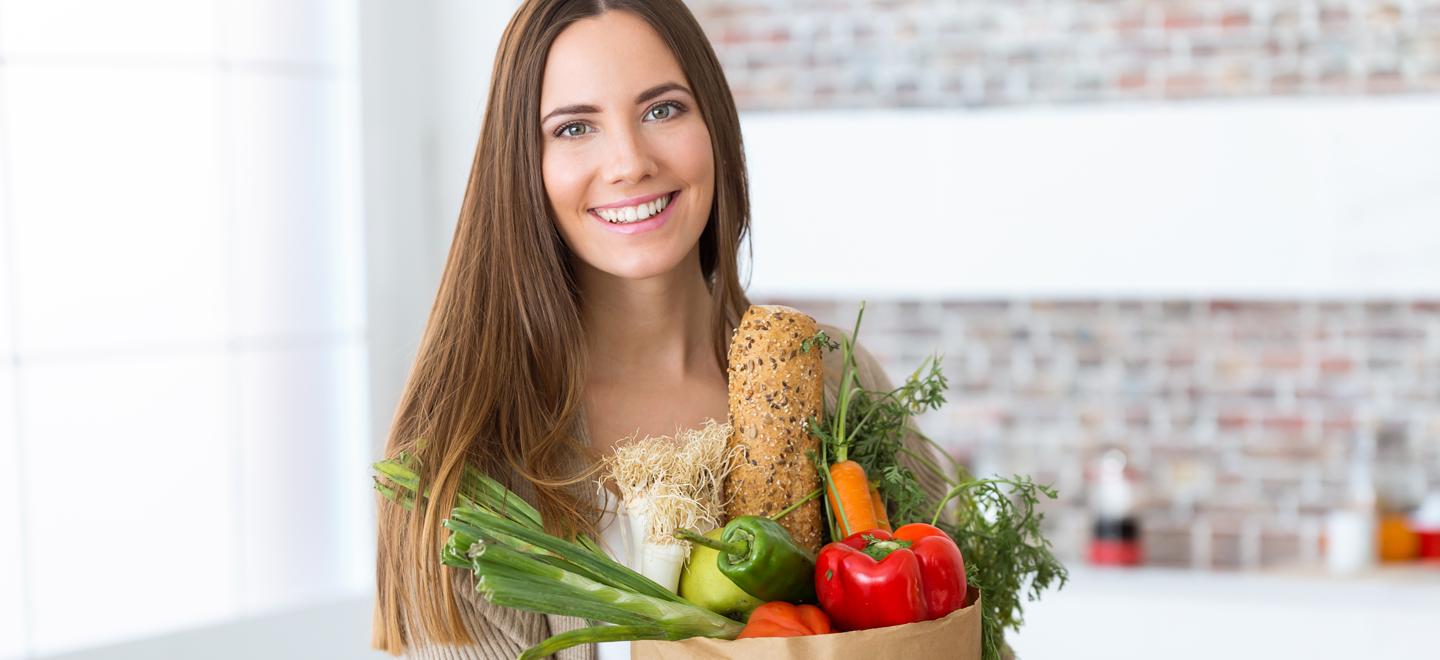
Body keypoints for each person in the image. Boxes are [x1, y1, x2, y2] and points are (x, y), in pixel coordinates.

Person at [371, 2, 946, 659]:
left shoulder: (840, 380)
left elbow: (964, 631)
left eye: (662, 110)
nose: (629, 162)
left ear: (715, 123)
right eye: (574, 127)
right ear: (523, 167)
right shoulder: (466, 457)